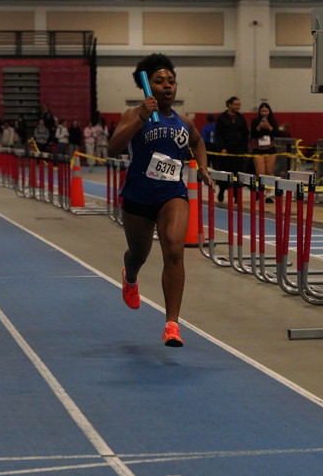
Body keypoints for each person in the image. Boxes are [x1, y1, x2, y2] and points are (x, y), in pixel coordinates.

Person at [107, 53, 212, 347]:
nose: (167, 86)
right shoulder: (133, 114)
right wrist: (142, 115)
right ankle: (130, 276)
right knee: (138, 254)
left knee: (174, 249)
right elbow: (112, 149)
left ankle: (172, 325)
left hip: (172, 195)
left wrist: (203, 167)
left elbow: (198, 142)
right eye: (160, 81)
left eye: (171, 81)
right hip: (138, 197)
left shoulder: (183, 122)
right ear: (147, 86)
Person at [214, 96, 250, 202]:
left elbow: (245, 134)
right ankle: (222, 190)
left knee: (237, 173)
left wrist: (245, 150)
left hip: (238, 150)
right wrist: (222, 148)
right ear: (229, 105)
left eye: (239, 105)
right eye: (235, 104)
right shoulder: (221, 118)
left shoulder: (241, 118)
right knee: (224, 172)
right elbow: (218, 134)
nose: (237, 106)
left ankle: (236, 195)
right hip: (226, 150)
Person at [250, 102, 286, 181]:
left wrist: (269, 127)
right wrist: (259, 126)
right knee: (260, 173)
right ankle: (261, 188)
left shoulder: (272, 121)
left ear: (269, 112)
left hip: (270, 148)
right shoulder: (255, 121)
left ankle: (269, 187)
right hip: (258, 149)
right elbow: (253, 135)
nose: (264, 113)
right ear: (259, 112)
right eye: (262, 111)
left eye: (266, 111)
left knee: (269, 172)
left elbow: (277, 133)